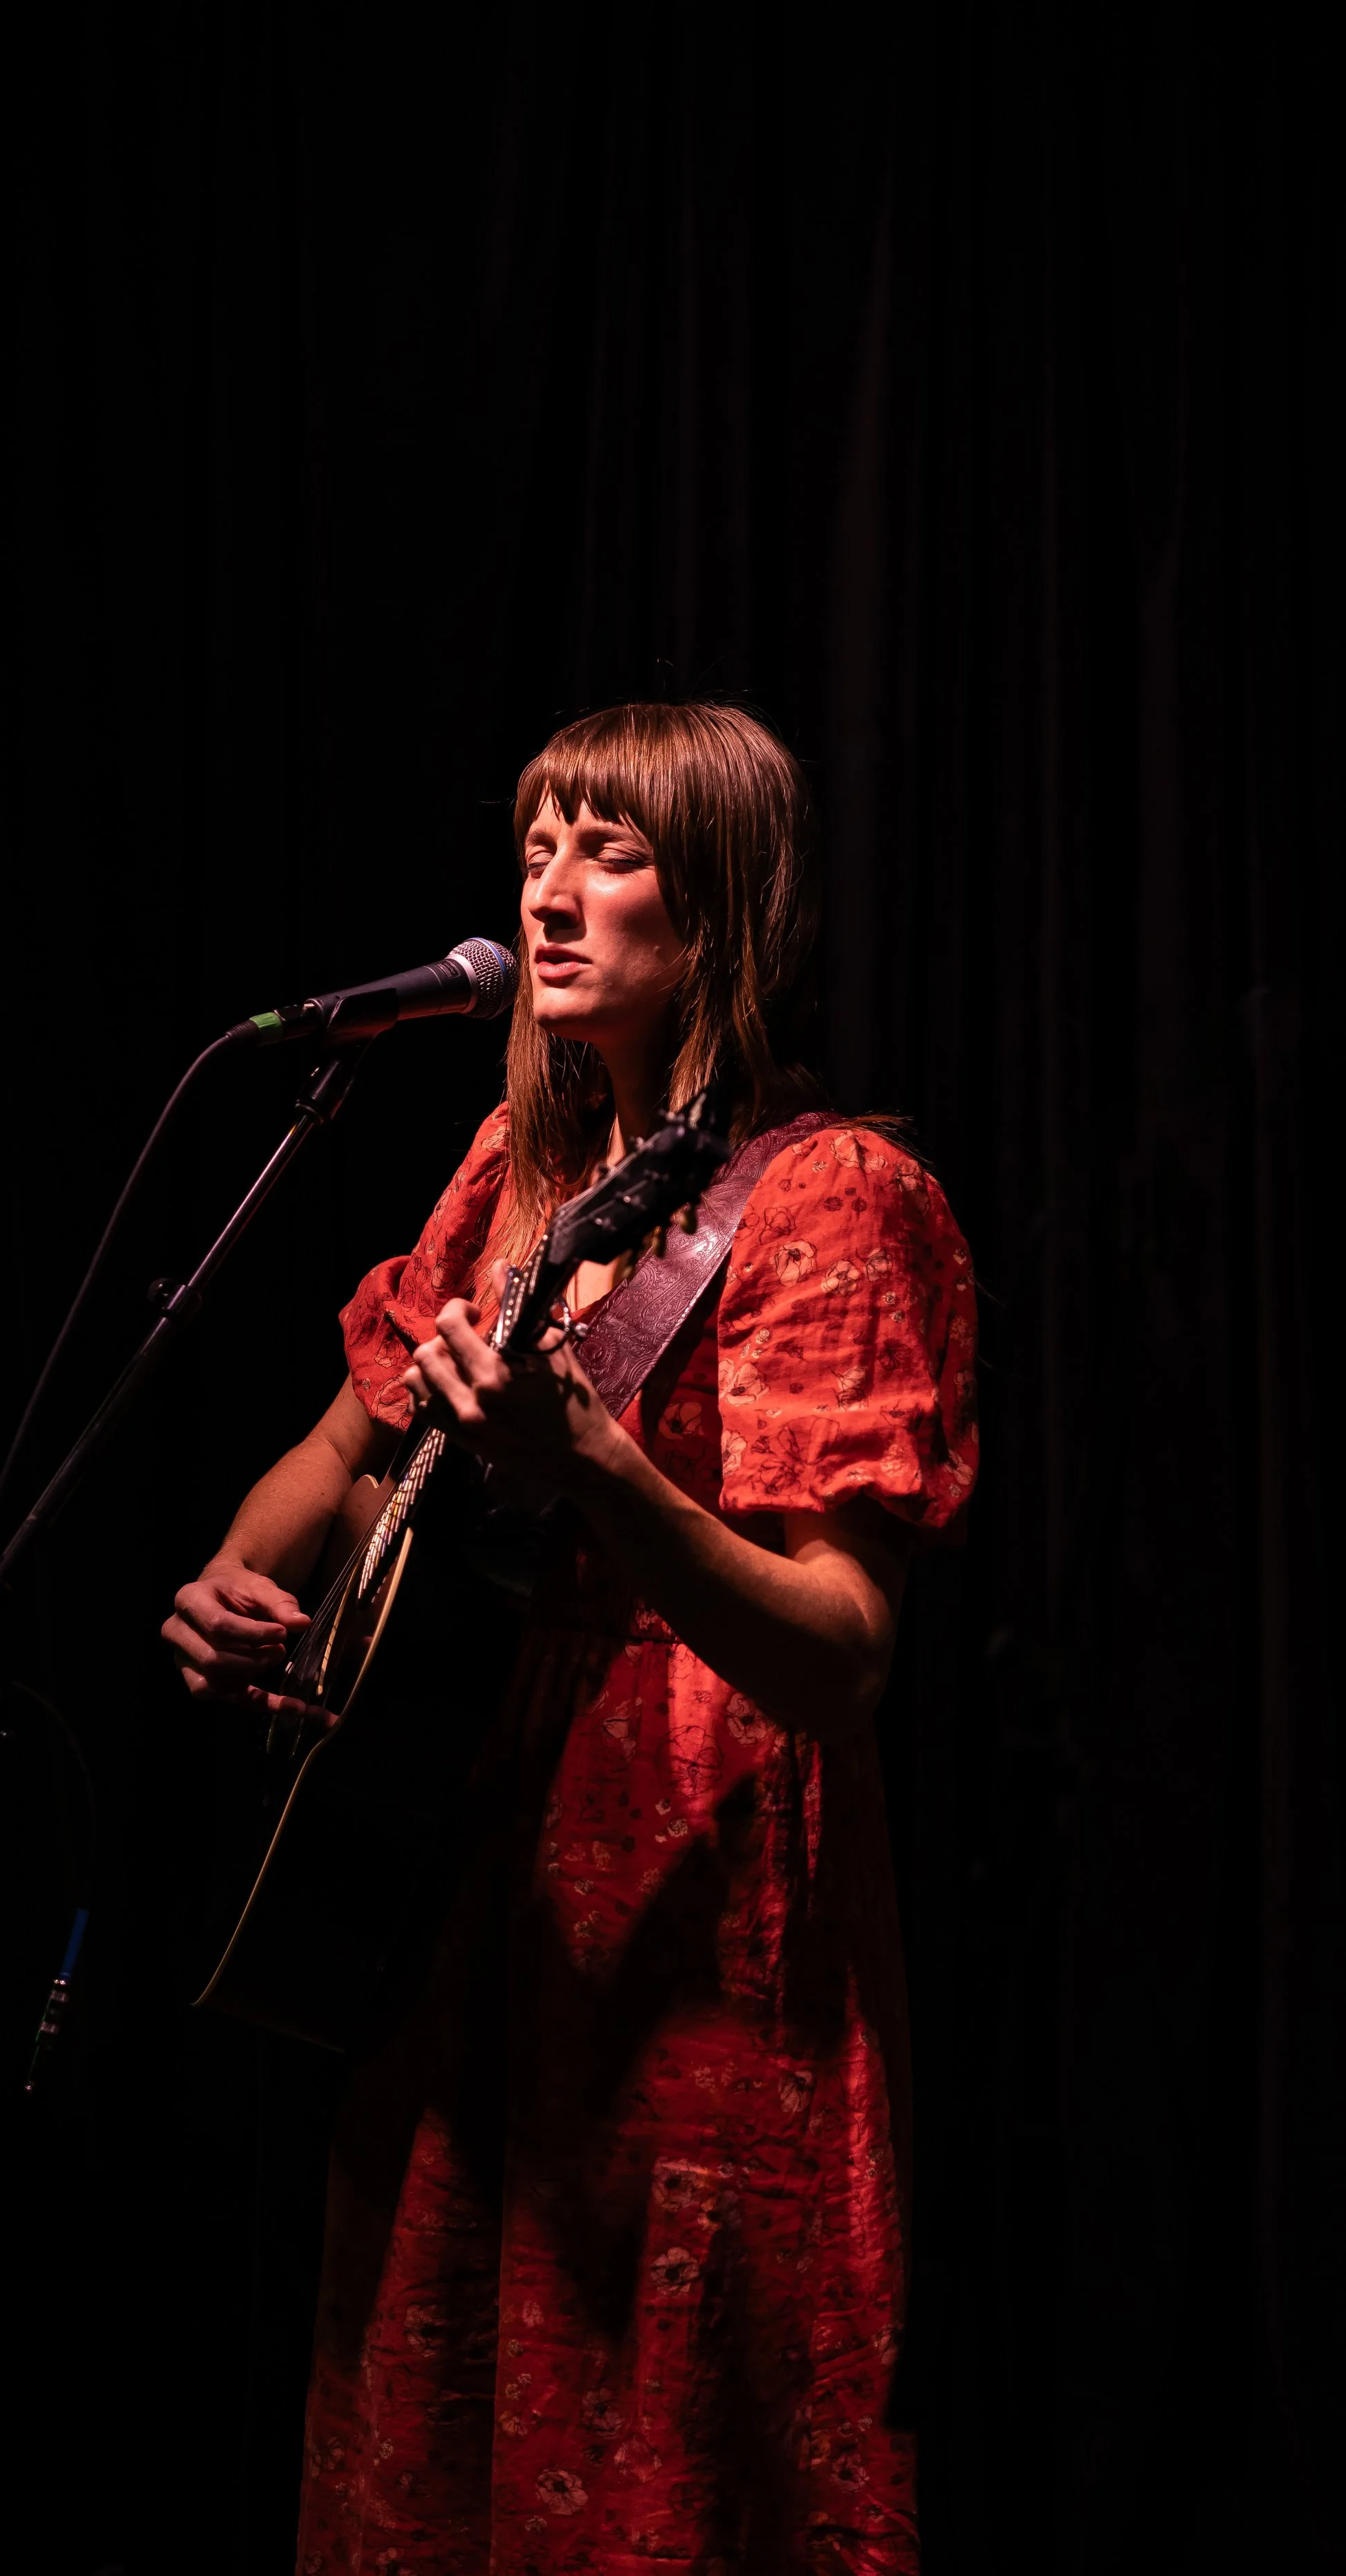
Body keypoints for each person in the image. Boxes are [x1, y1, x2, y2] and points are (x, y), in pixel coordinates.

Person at [164, 702, 977, 2573]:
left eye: (607, 852)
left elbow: (842, 1655)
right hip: (459, 1877)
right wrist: (236, 1576)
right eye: (534, 846)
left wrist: (603, 1473)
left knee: (665, 2454)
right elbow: (338, 1442)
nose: (547, 894)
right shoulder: (512, 1172)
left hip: (690, 1913)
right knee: (437, 2434)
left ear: (719, 911)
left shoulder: (828, 1195)